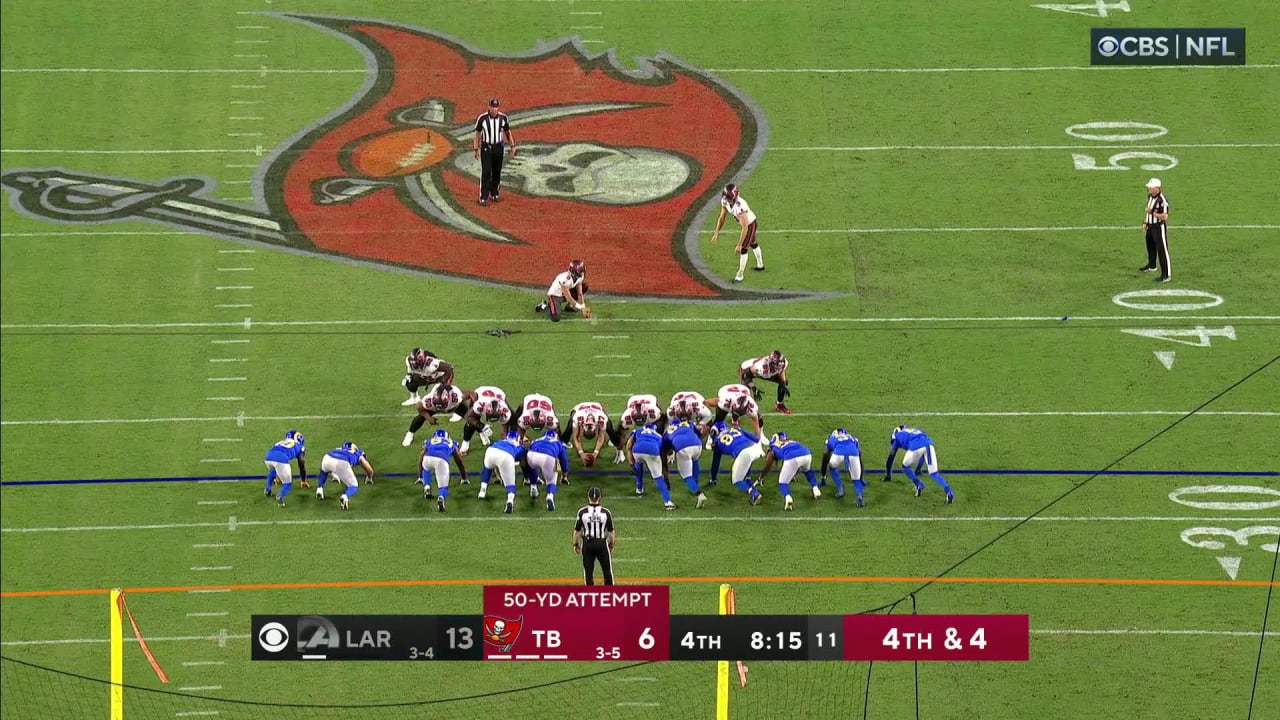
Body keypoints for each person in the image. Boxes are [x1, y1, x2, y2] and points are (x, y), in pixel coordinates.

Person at [884, 425, 954, 504]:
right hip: (929, 445)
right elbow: (923, 453)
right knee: (934, 473)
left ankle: (918, 484)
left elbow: (890, 458)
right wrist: (918, 469)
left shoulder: (897, 436)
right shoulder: (916, 430)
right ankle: (949, 492)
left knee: (905, 466)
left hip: (915, 446)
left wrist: (888, 475)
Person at [710, 183, 764, 283]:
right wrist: (716, 232)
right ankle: (760, 265)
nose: (728, 200)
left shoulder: (741, 207)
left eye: (730, 199)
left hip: (750, 224)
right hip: (747, 225)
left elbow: (745, 228)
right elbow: (722, 217)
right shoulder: (725, 201)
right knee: (753, 243)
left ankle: (740, 274)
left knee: (743, 249)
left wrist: (739, 245)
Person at [758, 432, 821, 510]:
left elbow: (768, 464)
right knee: (807, 471)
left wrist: (761, 477)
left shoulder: (773, 447)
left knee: (782, 483)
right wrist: (792, 473)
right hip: (807, 454)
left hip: (792, 458)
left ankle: (788, 498)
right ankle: (815, 488)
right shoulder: (792, 441)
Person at [708, 422, 765, 505]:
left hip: (744, 453)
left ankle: (755, 494)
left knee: (737, 480)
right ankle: (748, 480)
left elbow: (715, 463)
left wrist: (713, 479)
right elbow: (756, 439)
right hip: (755, 448)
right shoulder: (736, 429)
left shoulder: (717, 442)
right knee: (745, 460)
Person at [473, 97, 516, 206]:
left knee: (497, 171)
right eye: (492, 106)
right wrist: (476, 148)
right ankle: (483, 196)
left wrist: (512, 146)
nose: (494, 109)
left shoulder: (503, 118)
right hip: (486, 148)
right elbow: (477, 134)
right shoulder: (482, 118)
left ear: (498, 107)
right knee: (486, 172)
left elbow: (508, 132)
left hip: (498, 147)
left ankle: (494, 193)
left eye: (496, 107)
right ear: (489, 107)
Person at [403, 383, 475, 447]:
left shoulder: (456, 396)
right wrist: (429, 418)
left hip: (453, 406)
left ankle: (481, 433)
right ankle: (410, 433)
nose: (441, 411)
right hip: (435, 408)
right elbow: (419, 407)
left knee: (471, 418)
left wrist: (456, 409)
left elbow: (470, 393)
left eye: (442, 407)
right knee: (420, 417)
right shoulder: (428, 401)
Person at [573, 487, 616, 586]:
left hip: (588, 544)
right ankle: (609, 592)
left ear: (588, 497)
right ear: (599, 497)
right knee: (607, 571)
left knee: (588, 572)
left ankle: (590, 593)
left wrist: (575, 544)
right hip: (601, 544)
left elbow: (577, 531)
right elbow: (611, 531)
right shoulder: (606, 512)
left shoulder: (582, 512)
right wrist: (612, 543)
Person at [627, 423, 676, 509]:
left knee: (638, 463)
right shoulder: (658, 436)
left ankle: (639, 489)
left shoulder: (638, 431)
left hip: (637, 450)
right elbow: (663, 451)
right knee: (658, 478)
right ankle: (668, 502)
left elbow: (629, 445)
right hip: (652, 450)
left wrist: (631, 463)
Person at [315, 442, 374, 511]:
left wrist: (332, 474)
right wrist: (369, 476)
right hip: (342, 462)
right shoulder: (358, 453)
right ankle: (345, 496)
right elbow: (368, 467)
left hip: (327, 457)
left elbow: (332, 462)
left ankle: (319, 489)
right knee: (354, 485)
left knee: (324, 471)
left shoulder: (338, 449)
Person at [419, 429, 468, 512]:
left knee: (426, 469)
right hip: (441, 460)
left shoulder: (429, 441)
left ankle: (427, 487)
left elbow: (421, 456)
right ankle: (441, 497)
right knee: (443, 487)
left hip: (427, 458)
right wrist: (464, 478)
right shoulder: (452, 442)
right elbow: (459, 462)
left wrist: (420, 476)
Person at [479, 430, 527, 514]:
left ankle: (482, 491)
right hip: (505, 456)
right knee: (510, 485)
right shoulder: (519, 447)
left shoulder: (500, 441)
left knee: (487, 468)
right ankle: (510, 501)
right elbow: (521, 460)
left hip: (490, 451)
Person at [664, 419, 708, 508]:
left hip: (683, 448)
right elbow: (701, 429)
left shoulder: (667, 431)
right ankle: (695, 483)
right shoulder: (689, 424)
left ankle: (699, 494)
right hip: (697, 444)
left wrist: (670, 453)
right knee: (695, 460)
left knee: (686, 476)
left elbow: (665, 447)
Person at [459, 385, 511, 454]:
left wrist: (503, 446)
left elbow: (504, 432)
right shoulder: (480, 404)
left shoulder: (505, 412)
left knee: (513, 421)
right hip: (481, 393)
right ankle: (465, 443)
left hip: (499, 393)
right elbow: (468, 418)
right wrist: (482, 426)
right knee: (472, 420)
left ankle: (482, 432)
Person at [528, 428, 571, 511]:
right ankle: (550, 496)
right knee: (552, 478)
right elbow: (564, 461)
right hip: (548, 457)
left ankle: (533, 487)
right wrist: (564, 475)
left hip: (531, 455)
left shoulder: (536, 440)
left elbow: (530, 448)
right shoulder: (559, 443)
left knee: (533, 466)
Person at [263, 430, 308, 507]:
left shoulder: (280, 442)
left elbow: (275, 456)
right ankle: (280, 496)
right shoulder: (299, 446)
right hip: (281, 459)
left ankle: (268, 489)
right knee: (287, 483)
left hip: (268, 456)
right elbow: (301, 462)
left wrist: (278, 475)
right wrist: (303, 480)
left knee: (273, 469)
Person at [820, 428, 864, 505]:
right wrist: (861, 477)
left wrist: (823, 476)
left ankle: (840, 489)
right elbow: (859, 455)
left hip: (839, 453)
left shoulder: (832, 438)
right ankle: (859, 496)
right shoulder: (852, 438)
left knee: (832, 466)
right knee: (856, 479)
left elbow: (826, 453)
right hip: (854, 454)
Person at [1140, 177, 1172, 283]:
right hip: (1150, 226)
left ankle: (1166, 275)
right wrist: (1145, 222)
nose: (1148, 188)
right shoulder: (1150, 196)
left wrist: (1152, 212)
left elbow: (1165, 216)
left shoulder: (1162, 200)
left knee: (1162, 250)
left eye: (1150, 187)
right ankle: (1152, 265)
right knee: (1150, 246)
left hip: (1159, 227)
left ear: (1157, 188)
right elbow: (1147, 210)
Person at [739, 350, 792, 414]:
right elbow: (746, 376)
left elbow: (781, 371)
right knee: (744, 392)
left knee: (784, 382)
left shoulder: (783, 363)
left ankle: (779, 405)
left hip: (766, 372)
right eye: (777, 366)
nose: (779, 368)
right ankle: (736, 415)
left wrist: (783, 383)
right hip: (747, 371)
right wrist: (754, 388)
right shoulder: (759, 367)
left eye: (780, 366)